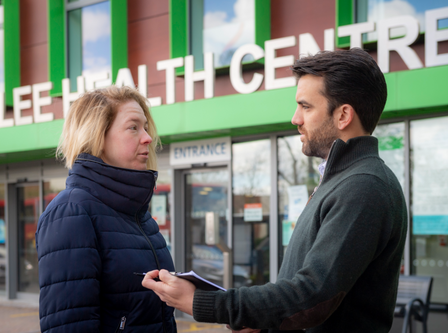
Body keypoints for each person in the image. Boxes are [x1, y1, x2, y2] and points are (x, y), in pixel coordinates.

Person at [142, 48, 408, 333]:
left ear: (343, 115)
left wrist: (203, 302)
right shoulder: (341, 181)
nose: (295, 119)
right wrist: (260, 322)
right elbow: (304, 293)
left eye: (306, 106)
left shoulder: (363, 186)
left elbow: (312, 296)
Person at [36, 86, 176, 333]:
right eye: (133, 127)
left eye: (145, 127)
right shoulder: (71, 212)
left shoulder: (137, 213)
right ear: (98, 138)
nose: (147, 137)